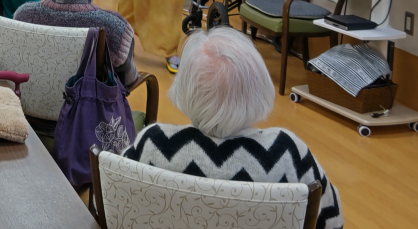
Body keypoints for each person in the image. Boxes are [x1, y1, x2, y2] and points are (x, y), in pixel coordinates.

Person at [123, 27, 344, 229]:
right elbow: (333, 222)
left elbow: (116, 201)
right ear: (259, 89)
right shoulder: (288, 152)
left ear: (184, 88)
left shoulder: (153, 143)